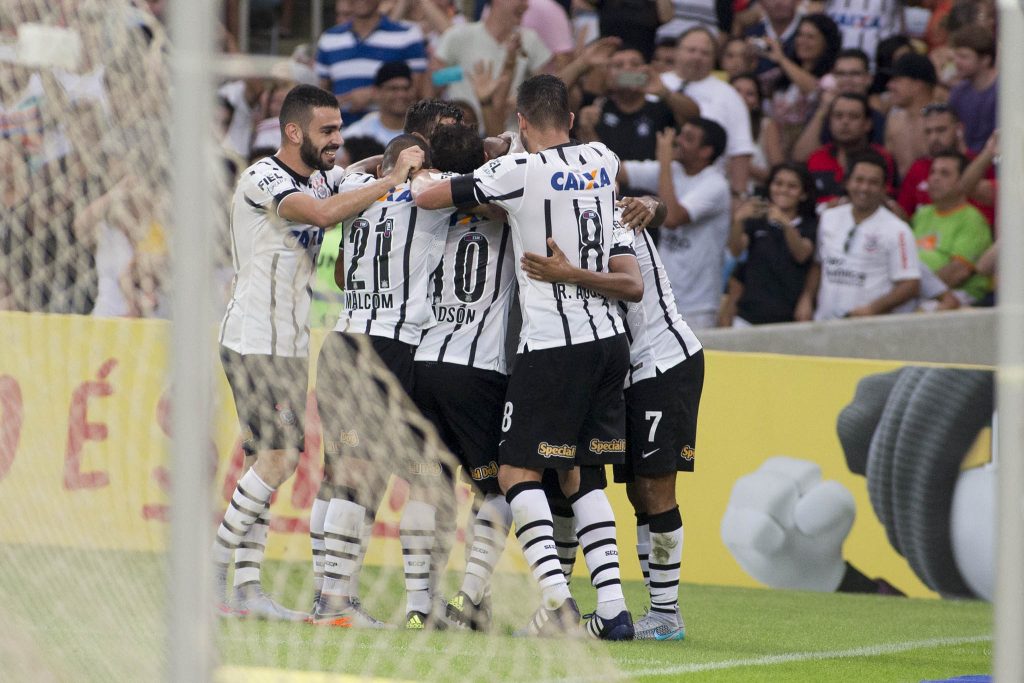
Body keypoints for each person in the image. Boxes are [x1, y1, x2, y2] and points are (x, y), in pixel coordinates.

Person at [415, 74, 642, 640]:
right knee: (579, 473)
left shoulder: (515, 172)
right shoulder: (604, 157)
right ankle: (612, 611)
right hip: (610, 340)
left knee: (517, 471)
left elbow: (430, 196)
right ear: (569, 120)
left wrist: (417, 168)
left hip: (553, 344)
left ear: (520, 122)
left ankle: (560, 605)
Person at [213, 84, 424, 619]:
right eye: (327, 131)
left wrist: (405, 154)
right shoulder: (265, 177)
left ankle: (244, 590)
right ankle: (212, 575)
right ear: (293, 132)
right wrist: (395, 178)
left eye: (339, 129)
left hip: (288, 341)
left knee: (264, 462)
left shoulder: (323, 176)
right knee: (281, 460)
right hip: (255, 337)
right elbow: (326, 214)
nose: (337, 140)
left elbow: (358, 174)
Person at [525, 199, 704, 641]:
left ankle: (665, 614)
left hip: (662, 362)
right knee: (620, 488)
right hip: (620, 372)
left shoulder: (608, 215)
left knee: (654, 488)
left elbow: (632, 282)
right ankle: (581, 606)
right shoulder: (567, 220)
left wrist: (654, 206)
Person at [311, 135, 461, 629]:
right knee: (372, 471)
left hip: (341, 340)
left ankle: (334, 596)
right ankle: (344, 603)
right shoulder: (427, 188)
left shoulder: (357, 185)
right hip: (388, 343)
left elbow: (351, 171)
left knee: (357, 469)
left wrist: (385, 166)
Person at [403, 124, 518, 632]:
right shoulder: (507, 203)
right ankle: (470, 597)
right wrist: (500, 147)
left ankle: (418, 604)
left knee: (429, 487)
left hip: (422, 359)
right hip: (477, 367)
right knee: (497, 490)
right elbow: (521, 150)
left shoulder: (423, 203)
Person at [618, 118, 732, 329]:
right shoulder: (673, 170)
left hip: (698, 304)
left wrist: (664, 160)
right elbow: (618, 170)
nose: (677, 141)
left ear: (706, 151)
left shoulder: (716, 184)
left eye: (688, 139)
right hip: (661, 296)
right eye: (680, 134)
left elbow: (671, 219)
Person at [796, 151, 921, 321]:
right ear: (847, 183)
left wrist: (871, 309)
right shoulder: (829, 217)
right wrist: (807, 298)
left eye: (873, 182)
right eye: (859, 180)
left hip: (867, 327)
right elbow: (818, 264)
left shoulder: (898, 230)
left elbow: (910, 284)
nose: (864, 188)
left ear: (885, 188)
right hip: (825, 323)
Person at [719, 162, 818, 326]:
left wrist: (785, 223)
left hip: (788, 317)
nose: (783, 190)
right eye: (778, 183)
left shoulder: (810, 224)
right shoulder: (757, 221)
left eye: (792, 186)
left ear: (803, 194)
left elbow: (802, 254)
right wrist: (738, 221)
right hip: (748, 315)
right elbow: (736, 250)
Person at [661, 27, 755, 197]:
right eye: (691, 50)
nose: (697, 57)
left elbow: (740, 151)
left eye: (705, 53)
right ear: (676, 51)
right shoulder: (657, 83)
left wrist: (739, 196)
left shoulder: (730, 95)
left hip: (705, 188)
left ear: (714, 58)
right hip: (654, 175)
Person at [431, 0, 553, 128]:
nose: (526, 5)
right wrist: (460, 73)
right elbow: (433, 83)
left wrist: (525, 99)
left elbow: (549, 91)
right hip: (460, 136)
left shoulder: (530, 39)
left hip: (511, 138)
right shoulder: (458, 35)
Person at [574, 47, 699, 162]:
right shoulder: (594, 107)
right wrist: (587, 131)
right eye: (618, 65)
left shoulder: (662, 108)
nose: (627, 69)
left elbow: (694, 118)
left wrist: (664, 92)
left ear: (647, 70)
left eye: (635, 64)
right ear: (607, 75)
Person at [315, 0, 428, 125]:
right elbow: (321, 97)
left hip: (392, 134)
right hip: (341, 133)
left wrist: (373, 95)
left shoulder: (408, 35)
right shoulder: (328, 39)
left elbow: (418, 92)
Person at [911, 150, 992, 305]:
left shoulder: (972, 220)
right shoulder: (922, 214)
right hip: (919, 292)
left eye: (945, 173)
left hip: (957, 295)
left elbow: (957, 273)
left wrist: (908, 292)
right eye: (932, 172)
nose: (934, 178)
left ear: (962, 181)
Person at [895, 103, 994, 226]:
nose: (934, 138)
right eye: (928, 132)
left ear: (959, 129)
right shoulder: (918, 168)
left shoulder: (979, 165)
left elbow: (990, 218)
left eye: (941, 130)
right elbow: (904, 215)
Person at [758, 14, 840, 154]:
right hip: (774, 145)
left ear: (826, 42)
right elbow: (756, 87)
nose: (802, 41)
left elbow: (815, 89)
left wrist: (781, 59)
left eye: (810, 37)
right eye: (800, 35)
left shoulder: (831, 78)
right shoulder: (782, 74)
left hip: (808, 149)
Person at [790, 48, 886, 163]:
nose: (847, 80)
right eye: (841, 74)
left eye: (855, 74)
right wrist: (823, 109)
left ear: (868, 79)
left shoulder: (878, 118)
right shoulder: (821, 113)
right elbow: (800, 158)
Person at [805, 92, 896, 205]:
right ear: (829, 122)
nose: (845, 122)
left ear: (867, 124)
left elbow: (886, 199)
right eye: (838, 116)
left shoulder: (882, 158)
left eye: (854, 116)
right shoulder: (817, 158)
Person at [883, 52, 939, 180]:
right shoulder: (894, 120)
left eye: (897, 81)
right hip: (902, 195)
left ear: (917, 85)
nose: (889, 86)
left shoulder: (941, 121)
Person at [340, 61, 416, 146]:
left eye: (406, 88)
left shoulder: (423, 133)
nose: (401, 94)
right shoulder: (358, 134)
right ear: (376, 92)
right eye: (393, 89)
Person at [947, 25, 997, 152]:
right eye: (956, 56)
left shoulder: (1002, 92)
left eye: (964, 57)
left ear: (985, 59)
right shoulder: (957, 93)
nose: (957, 62)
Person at [729, 73, 783, 189]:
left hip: (754, 193)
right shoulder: (714, 123)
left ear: (757, 102)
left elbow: (779, 175)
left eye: (750, 94)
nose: (741, 97)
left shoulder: (767, 126)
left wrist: (741, 165)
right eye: (736, 91)